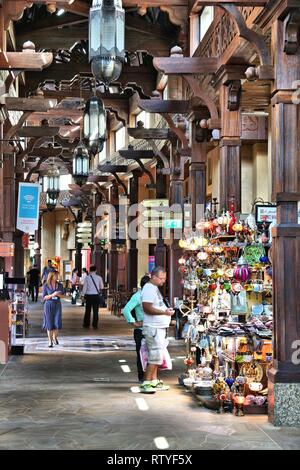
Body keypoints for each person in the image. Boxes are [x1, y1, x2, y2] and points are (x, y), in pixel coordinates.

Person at [140, 266, 174, 393]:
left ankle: (154, 380)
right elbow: (147, 308)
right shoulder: (149, 289)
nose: (163, 281)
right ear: (153, 277)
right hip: (153, 328)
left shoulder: (154, 288)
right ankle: (147, 382)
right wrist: (164, 312)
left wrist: (165, 312)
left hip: (158, 328)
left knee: (158, 355)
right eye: (161, 278)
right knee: (154, 355)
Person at [123, 275, 150, 383]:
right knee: (141, 354)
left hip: (153, 329)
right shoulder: (138, 296)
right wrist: (133, 322)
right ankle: (141, 376)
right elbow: (126, 310)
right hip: (141, 330)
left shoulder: (154, 295)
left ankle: (150, 375)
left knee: (153, 353)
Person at [42, 270, 64, 348]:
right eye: (56, 275)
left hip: (57, 305)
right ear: (51, 276)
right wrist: (52, 295)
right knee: (49, 322)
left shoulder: (60, 285)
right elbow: (44, 297)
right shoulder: (46, 285)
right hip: (48, 305)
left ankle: (55, 337)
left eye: (57, 275)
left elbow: (63, 296)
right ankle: (50, 341)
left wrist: (58, 295)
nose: (57, 277)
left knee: (57, 322)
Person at [82, 265, 104, 329]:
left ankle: (86, 324)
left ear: (90, 270)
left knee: (87, 310)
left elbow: (84, 288)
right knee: (96, 311)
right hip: (96, 295)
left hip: (88, 296)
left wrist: (83, 295)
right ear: (96, 270)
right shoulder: (99, 277)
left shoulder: (87, 278)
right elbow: (101, 287)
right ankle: (95, 324)